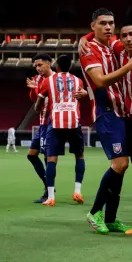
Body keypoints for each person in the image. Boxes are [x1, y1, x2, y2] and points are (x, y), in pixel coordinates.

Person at [79, 8, 132, 234]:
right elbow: (99, 81)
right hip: (106, 113)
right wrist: (129, 66)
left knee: (122, 167)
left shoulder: (113, 46)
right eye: (102, 23)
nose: (108, 27)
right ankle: (95, 212)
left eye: (111, 23)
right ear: (93, 26)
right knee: (120, 164)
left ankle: (110, 218)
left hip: (123, 112)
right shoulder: (89, 49)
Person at [35, 55, 88, 206]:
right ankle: (77, 191)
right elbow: (82, 95)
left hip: (56, 123)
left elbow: (39, 103)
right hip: (74, 122)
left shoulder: (48, 81)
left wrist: (38, 108)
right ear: (70, 67)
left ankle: (51, 197)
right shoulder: (78, 81)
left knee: (52, 159)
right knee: (79, 156)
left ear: (56, 66)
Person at [26, 54, 53, 203]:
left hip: (52, 122)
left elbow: (48, 99)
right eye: (36, 66)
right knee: (31, 155)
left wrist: (36, 90)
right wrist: (33, 89)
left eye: (40, 65)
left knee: (47, 156)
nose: (38, 68)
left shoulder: (55, 79)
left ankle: (49, 192)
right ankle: (48, 187)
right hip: (42, 122)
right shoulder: (37, 80)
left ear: (48, 64)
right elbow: (35, 100)